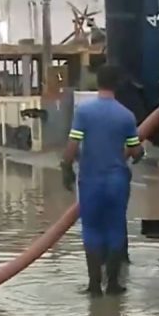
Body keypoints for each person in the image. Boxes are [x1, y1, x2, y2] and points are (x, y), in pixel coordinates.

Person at [61, 64, 144, 296]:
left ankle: (94, 286)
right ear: (117, 85)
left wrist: (66, 167)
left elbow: (72, 146)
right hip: (117, 181)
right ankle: (114, 285)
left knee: (91, 230)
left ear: (98, 83)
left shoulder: (84, 113)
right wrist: (139, 154)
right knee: (115, 228)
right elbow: (135, 150)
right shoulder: (126, 116)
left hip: (90, 180)